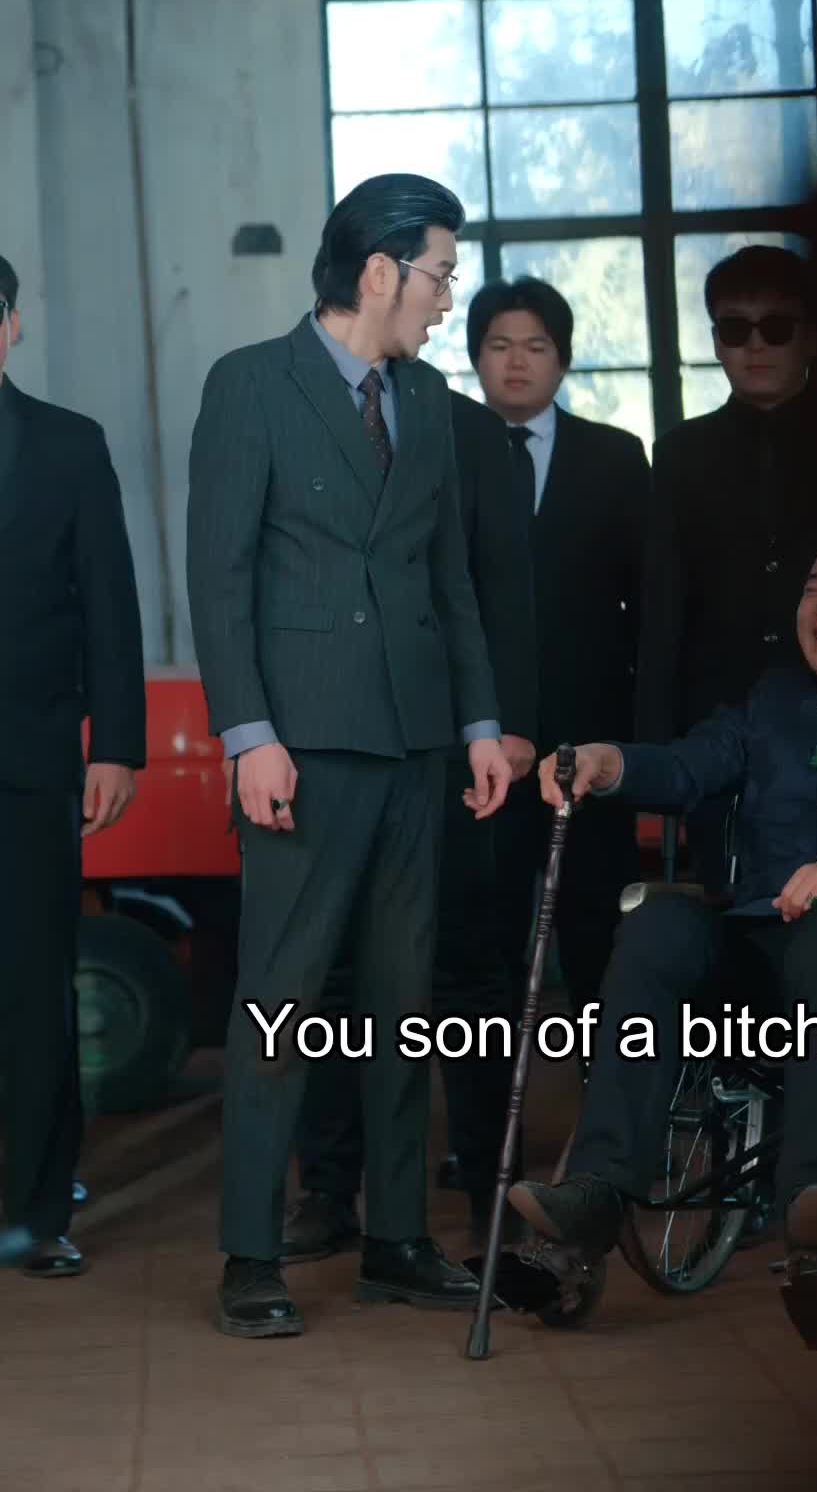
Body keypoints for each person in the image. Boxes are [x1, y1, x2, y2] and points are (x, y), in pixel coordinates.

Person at [186, 175, 513, 1340]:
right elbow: (220, 578)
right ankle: (250, 1254)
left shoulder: (427, 399)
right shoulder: (250, 384)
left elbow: (448, 579)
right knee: (281, 1005)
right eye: (441, 274)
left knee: (402, 1006)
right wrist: (250, 738)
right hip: (303, 752)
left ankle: (398, 1240)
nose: (447, 298)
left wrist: (480, 725)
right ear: (380, 271)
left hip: (416, 743)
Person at [509, 531, 817, 1262]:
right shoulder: (772, 699)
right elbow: (688, 768)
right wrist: (609, 764)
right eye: (813, 589)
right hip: (757, 941)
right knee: (657, 926)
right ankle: (598, 1187)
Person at [284, 386, 538, 1257]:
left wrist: (511, 723)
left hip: (453, 742)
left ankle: (489, 1182)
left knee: (466, 965)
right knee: (332, 970)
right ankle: (329, 1188)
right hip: (328, 739)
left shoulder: (470, 430)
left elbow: (504, 586)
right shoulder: (296, 410)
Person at [635, 244, 817, 887]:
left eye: (776, 327)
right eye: (735, 328)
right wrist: (657, 745)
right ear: (715, 341)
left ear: (811, 338)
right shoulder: (681, 453)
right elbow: (662, 605)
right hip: (717, 720)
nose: (755, 346)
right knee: (726, 900)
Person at [0, 254, 145, 1277]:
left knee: (33, 989)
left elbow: (111, 604)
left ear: (9, 326)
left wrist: (119, 746)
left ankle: (38, 1213)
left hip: (33, 760)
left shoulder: (68, 444)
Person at [467, 277, 650, 1023]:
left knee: (595, 934)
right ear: (475, 358)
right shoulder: (443, 455)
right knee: (484, 943)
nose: (517, 362)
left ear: (564, 359)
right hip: (477, 743)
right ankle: (486, 1103)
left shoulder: (614, 457)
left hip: (590, 738)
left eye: (536, 346)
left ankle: (605, 1095)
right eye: (499, 346)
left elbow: (646, 600)